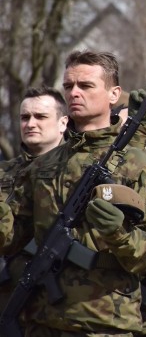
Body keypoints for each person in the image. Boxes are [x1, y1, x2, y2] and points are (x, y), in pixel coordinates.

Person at [0, 50, 146, 335]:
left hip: (104, 324)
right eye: (68, 86)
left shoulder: (135, 163)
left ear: (114, 94)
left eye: (86, 86)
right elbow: (9, 237)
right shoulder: (43, 165)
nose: (74, 93)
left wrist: (119, 234)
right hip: (42, 323)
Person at [0, 87, 69, 311]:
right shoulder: (4, 172)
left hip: (60, 303)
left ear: (63, 123)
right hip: (8, 296)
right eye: (25, 117)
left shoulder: (75, 172)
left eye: (40, 117)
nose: (30, 124)